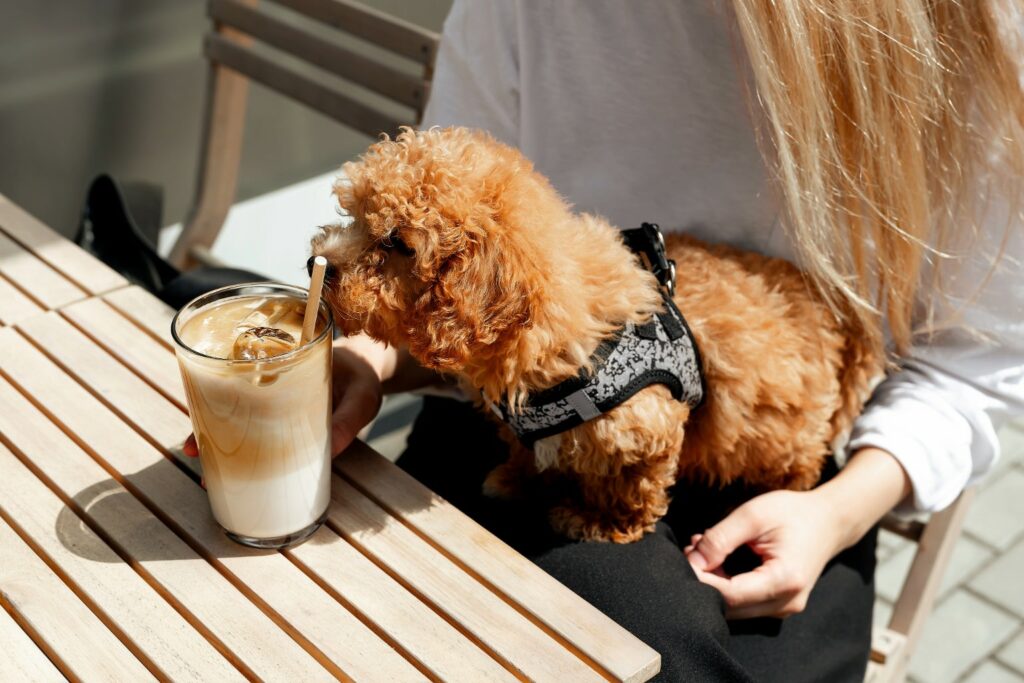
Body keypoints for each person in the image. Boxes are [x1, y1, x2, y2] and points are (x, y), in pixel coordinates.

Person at [192, 2, 1024, 680]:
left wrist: (837, 513)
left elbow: (975, 365)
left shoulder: (979, 38)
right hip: (506, 415)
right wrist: (369, 360)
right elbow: (441, 266)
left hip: (777, 493)